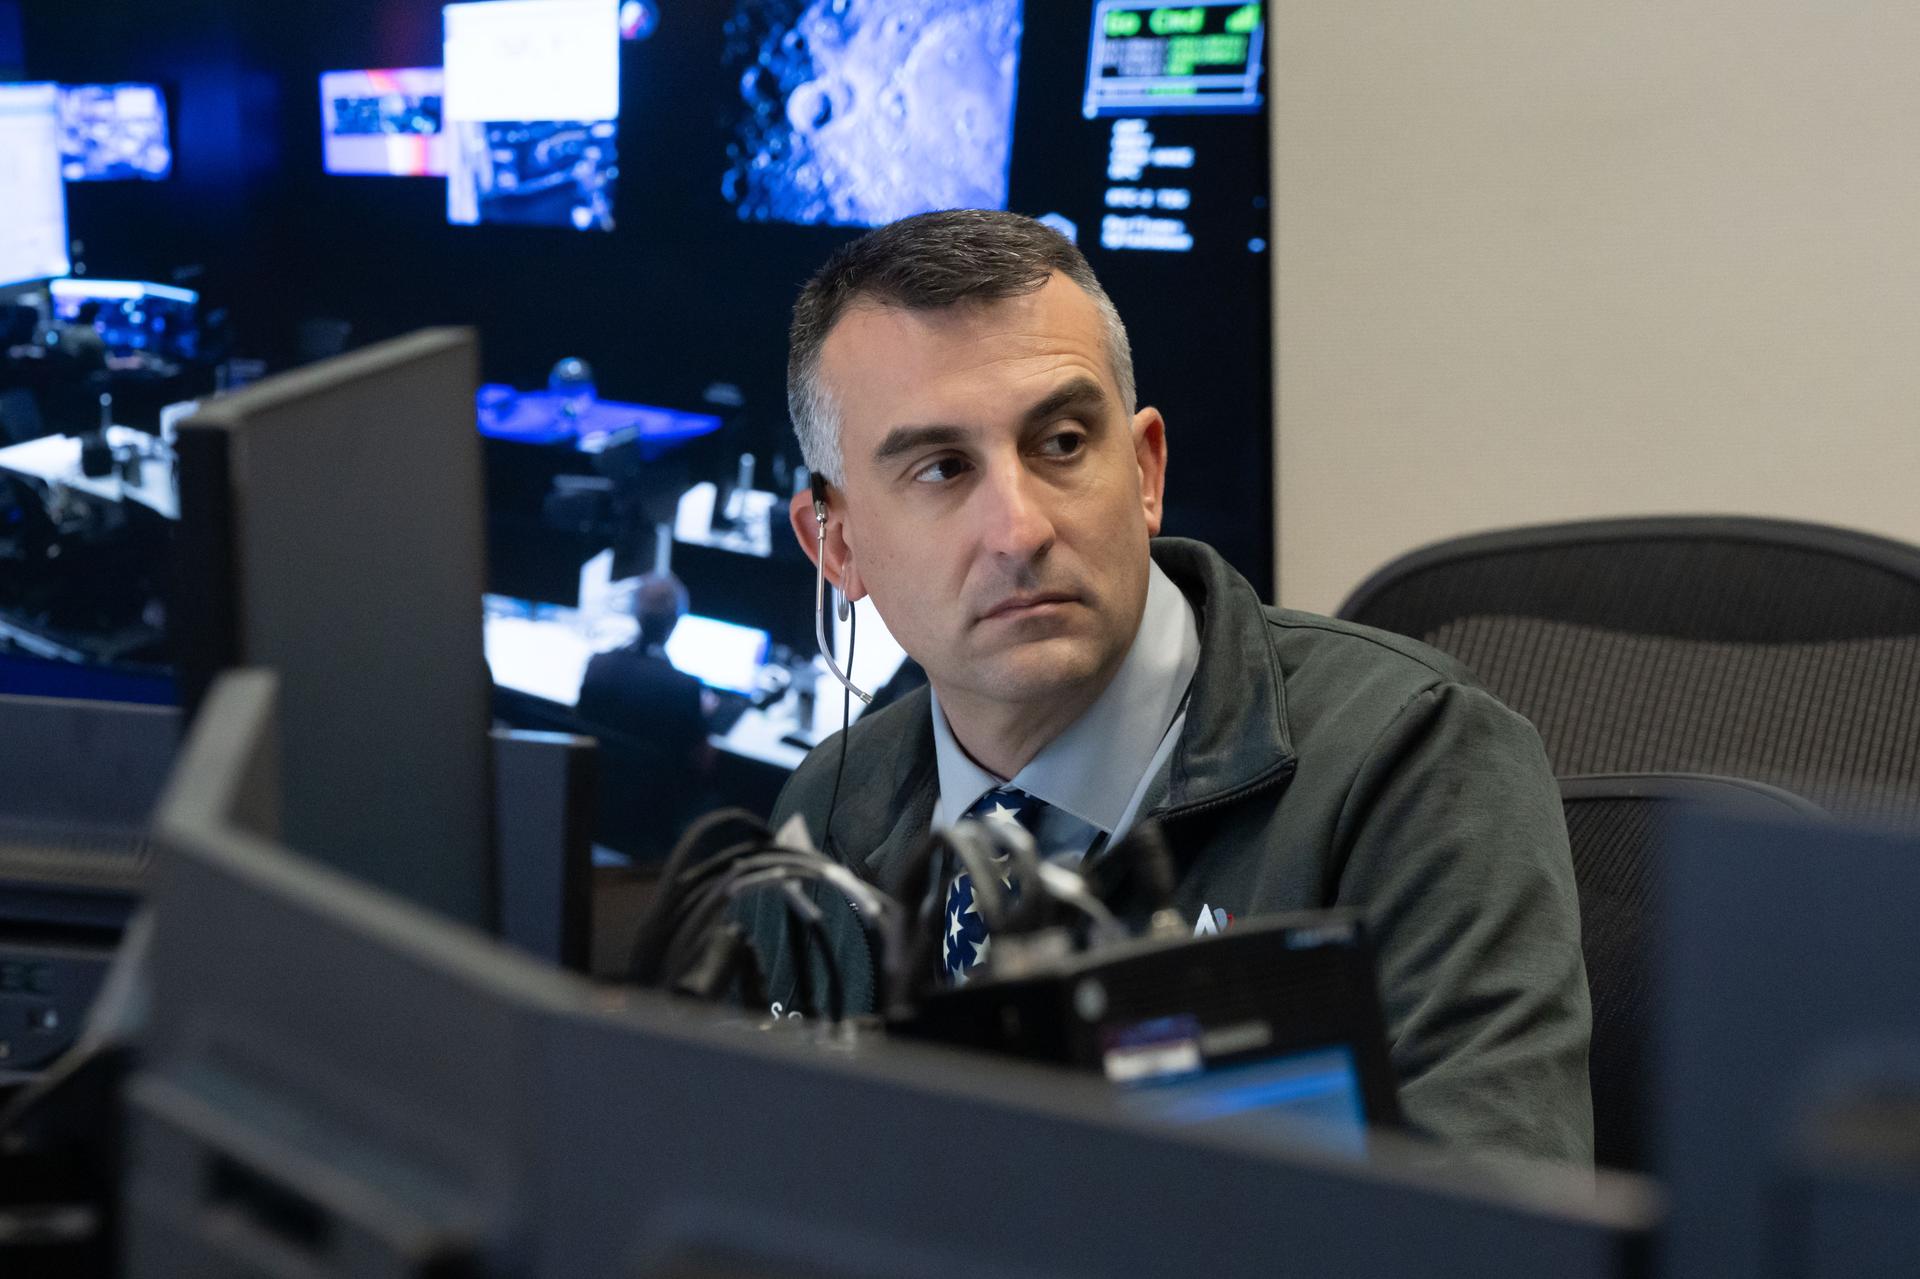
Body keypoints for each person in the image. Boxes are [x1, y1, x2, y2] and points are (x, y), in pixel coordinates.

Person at [760, 209, 1592, 1163]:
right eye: (943, 467)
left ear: (1146, 469)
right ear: (836, 542)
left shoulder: (1414, 765)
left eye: (1063, 443)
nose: (1019, 526)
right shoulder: (824, 812)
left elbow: (1492, 1238)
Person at [576, 572, 713, 858]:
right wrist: (705, 715)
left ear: (634, 613)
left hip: (594, 803)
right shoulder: (685, 687)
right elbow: (703, 761)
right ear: (675, 623)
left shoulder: (597, 665)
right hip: (650, 816)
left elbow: (580, 729)